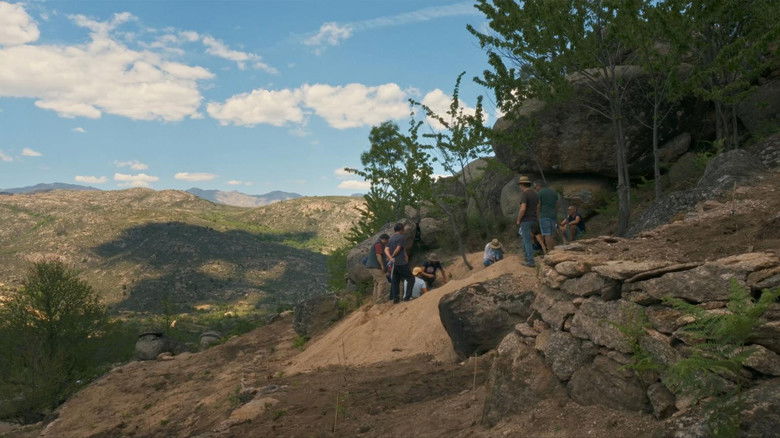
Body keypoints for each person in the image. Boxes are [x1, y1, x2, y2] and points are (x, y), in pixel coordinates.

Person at [384, 223, 414, 303]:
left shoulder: (390, 238)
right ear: (401, 229)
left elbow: (386, 249)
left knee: (395, 280)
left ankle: (396, 299)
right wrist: (393, 256)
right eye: (403, 229)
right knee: (411, 278)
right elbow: (398, 248)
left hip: (393, 264)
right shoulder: (401, 237)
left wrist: (390, 258)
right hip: (400, 262)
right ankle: (407, 297)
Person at [516, 175, 539, 267]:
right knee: (527, 240)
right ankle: (527, 258)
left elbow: (523, 209)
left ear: (522, 185)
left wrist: (518, 219)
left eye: (520, 185)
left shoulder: (525, 194)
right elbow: (538, 207)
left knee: (527, 241)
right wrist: (536, 217)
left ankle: (530, 261)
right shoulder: (535, 194)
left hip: (526, 220)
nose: (519, 187)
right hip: (534, 219)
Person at [535, 180, 558, 253]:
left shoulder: (540, 193)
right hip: (553, 216)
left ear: (539, 186)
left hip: (544, 216)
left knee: (547, 234)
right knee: (552, 234)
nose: (536, 189)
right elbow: (557, 205)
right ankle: (555, 251)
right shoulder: (553, 192)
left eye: (535, 187)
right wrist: (555, 213)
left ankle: (550, 252)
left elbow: (538, 205)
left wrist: (537, 215)